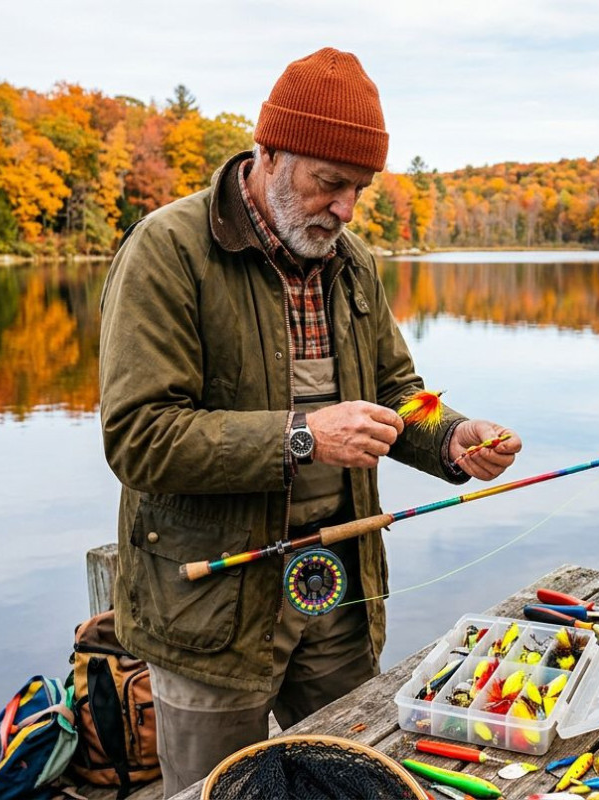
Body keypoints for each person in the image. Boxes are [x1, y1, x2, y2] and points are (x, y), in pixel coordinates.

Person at [97, 47, 522, 795]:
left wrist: (452, 436)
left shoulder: (349, 260)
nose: (347, 208)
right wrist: (303, 434)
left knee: (346, 779)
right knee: (214, 789)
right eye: (331, 183)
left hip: (336, 594)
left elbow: (402, 391)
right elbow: (140, 435)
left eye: (360, 189)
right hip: (209, 613)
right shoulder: (168, 251)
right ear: (268, 153)